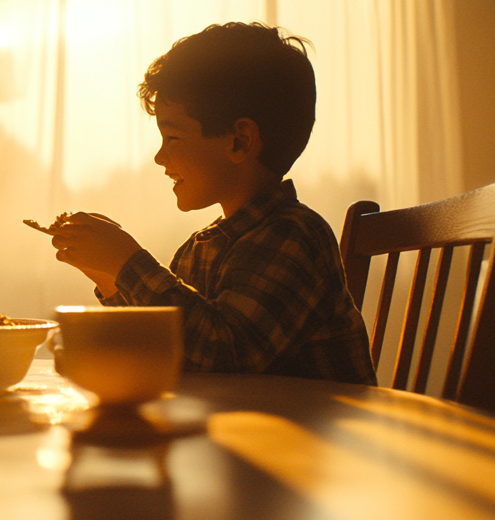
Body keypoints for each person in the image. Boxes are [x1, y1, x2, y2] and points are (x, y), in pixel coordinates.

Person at [46, 22, 376, 385]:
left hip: (315, 439)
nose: (160, 157)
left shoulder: (295, 237)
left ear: (239, 141)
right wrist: (110, 278)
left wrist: (127, 261)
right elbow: (168, 351)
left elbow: (224, 355)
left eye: (173, 137)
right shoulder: (199, 250)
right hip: (236, 434)